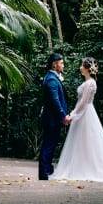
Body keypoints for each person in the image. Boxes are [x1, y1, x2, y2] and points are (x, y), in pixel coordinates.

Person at [38, 52, 69, 180]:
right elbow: (54, 100)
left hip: (52, 119)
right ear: (54, 65)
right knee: (49, 144)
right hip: (52, 120)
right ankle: (45, 173)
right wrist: (63, 116)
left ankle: (47, 171)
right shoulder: (51, 79)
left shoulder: (52, 77)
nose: (63, 65)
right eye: (61, 63)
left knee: (50, 143)